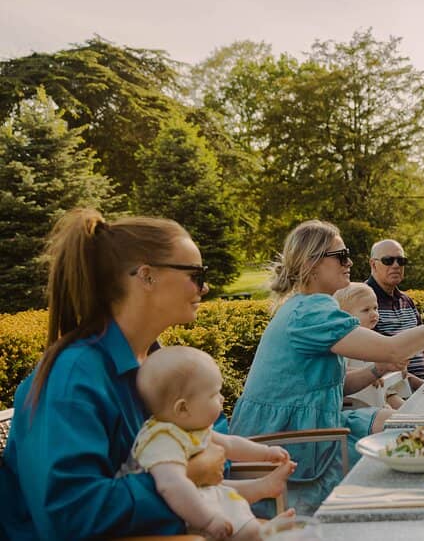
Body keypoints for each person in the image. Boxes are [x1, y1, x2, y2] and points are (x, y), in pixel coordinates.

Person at [0, 210, 290, 540]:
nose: (205, 287)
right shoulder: (73, 378)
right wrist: (183, 476)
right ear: (147, 277)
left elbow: (213, 447)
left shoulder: (157, 359)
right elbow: (71, 515)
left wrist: (191, 472)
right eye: (196, 274)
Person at [229, 220, 424, 514]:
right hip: (287, 440)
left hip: (307, 426)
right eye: (341, 255)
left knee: (412, 429)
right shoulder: (309, 312)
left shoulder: (307, 306)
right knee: (416, 450)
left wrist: (375, 370)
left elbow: (323, 388)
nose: (350, 262)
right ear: (311, 263)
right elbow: (394, 347)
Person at [128, 346, 295, 540]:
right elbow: (171, 484)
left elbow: (230, 444)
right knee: (233, 519)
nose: (222, 399)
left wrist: (265, 453)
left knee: (229, 505)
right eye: (214, 395)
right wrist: (207, 521)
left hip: (203, 499)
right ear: (183, 408)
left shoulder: (190, 428)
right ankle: (259, 532)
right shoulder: (162, 440)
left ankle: (258, 529)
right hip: (190, 517)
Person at [367, 239, 424, 391]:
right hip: (394, 392)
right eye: (388, 260)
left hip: (422, 388)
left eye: (401, 260)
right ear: (373, 264)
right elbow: (379, 358)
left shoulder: (406, 300)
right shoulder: (365, 302)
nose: (396, 265)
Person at [334, 283, 408, 410]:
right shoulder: (345, 343)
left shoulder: (373, 340)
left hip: (377, 401)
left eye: (375, 308)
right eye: (366, 310)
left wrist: (394, 369)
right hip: (355, 406)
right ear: (345, 315)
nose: (374, 314)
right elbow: (339, 371)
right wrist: (367, 374)